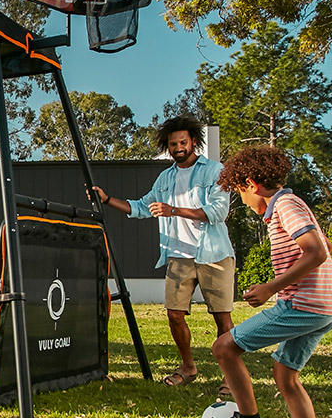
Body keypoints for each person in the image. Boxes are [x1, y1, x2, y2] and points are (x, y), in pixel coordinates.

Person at [206, 146, 332, 418]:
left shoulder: (284, 204)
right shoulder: (291, 205)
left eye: (240, 192)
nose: (241, 200)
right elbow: (325, 246)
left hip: (303, 306)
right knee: (286, 376)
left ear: (252, 184)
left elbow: (316, 252)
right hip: (327, 307)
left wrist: (271, 287)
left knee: (224, 347)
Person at [91, 115, 235, 393]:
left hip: (214, 255)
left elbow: (219, 212)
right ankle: (188, 367)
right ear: (167, 147)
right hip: (178, 255)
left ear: (194, 141)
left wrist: (174, 211)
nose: (179, 147)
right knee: (174, 315)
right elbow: (142, 207)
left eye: (183, 142)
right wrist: (107, 200)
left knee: (222, 318)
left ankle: (230, 376)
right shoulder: (165, 178)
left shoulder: (215, 171)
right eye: (173, 144)